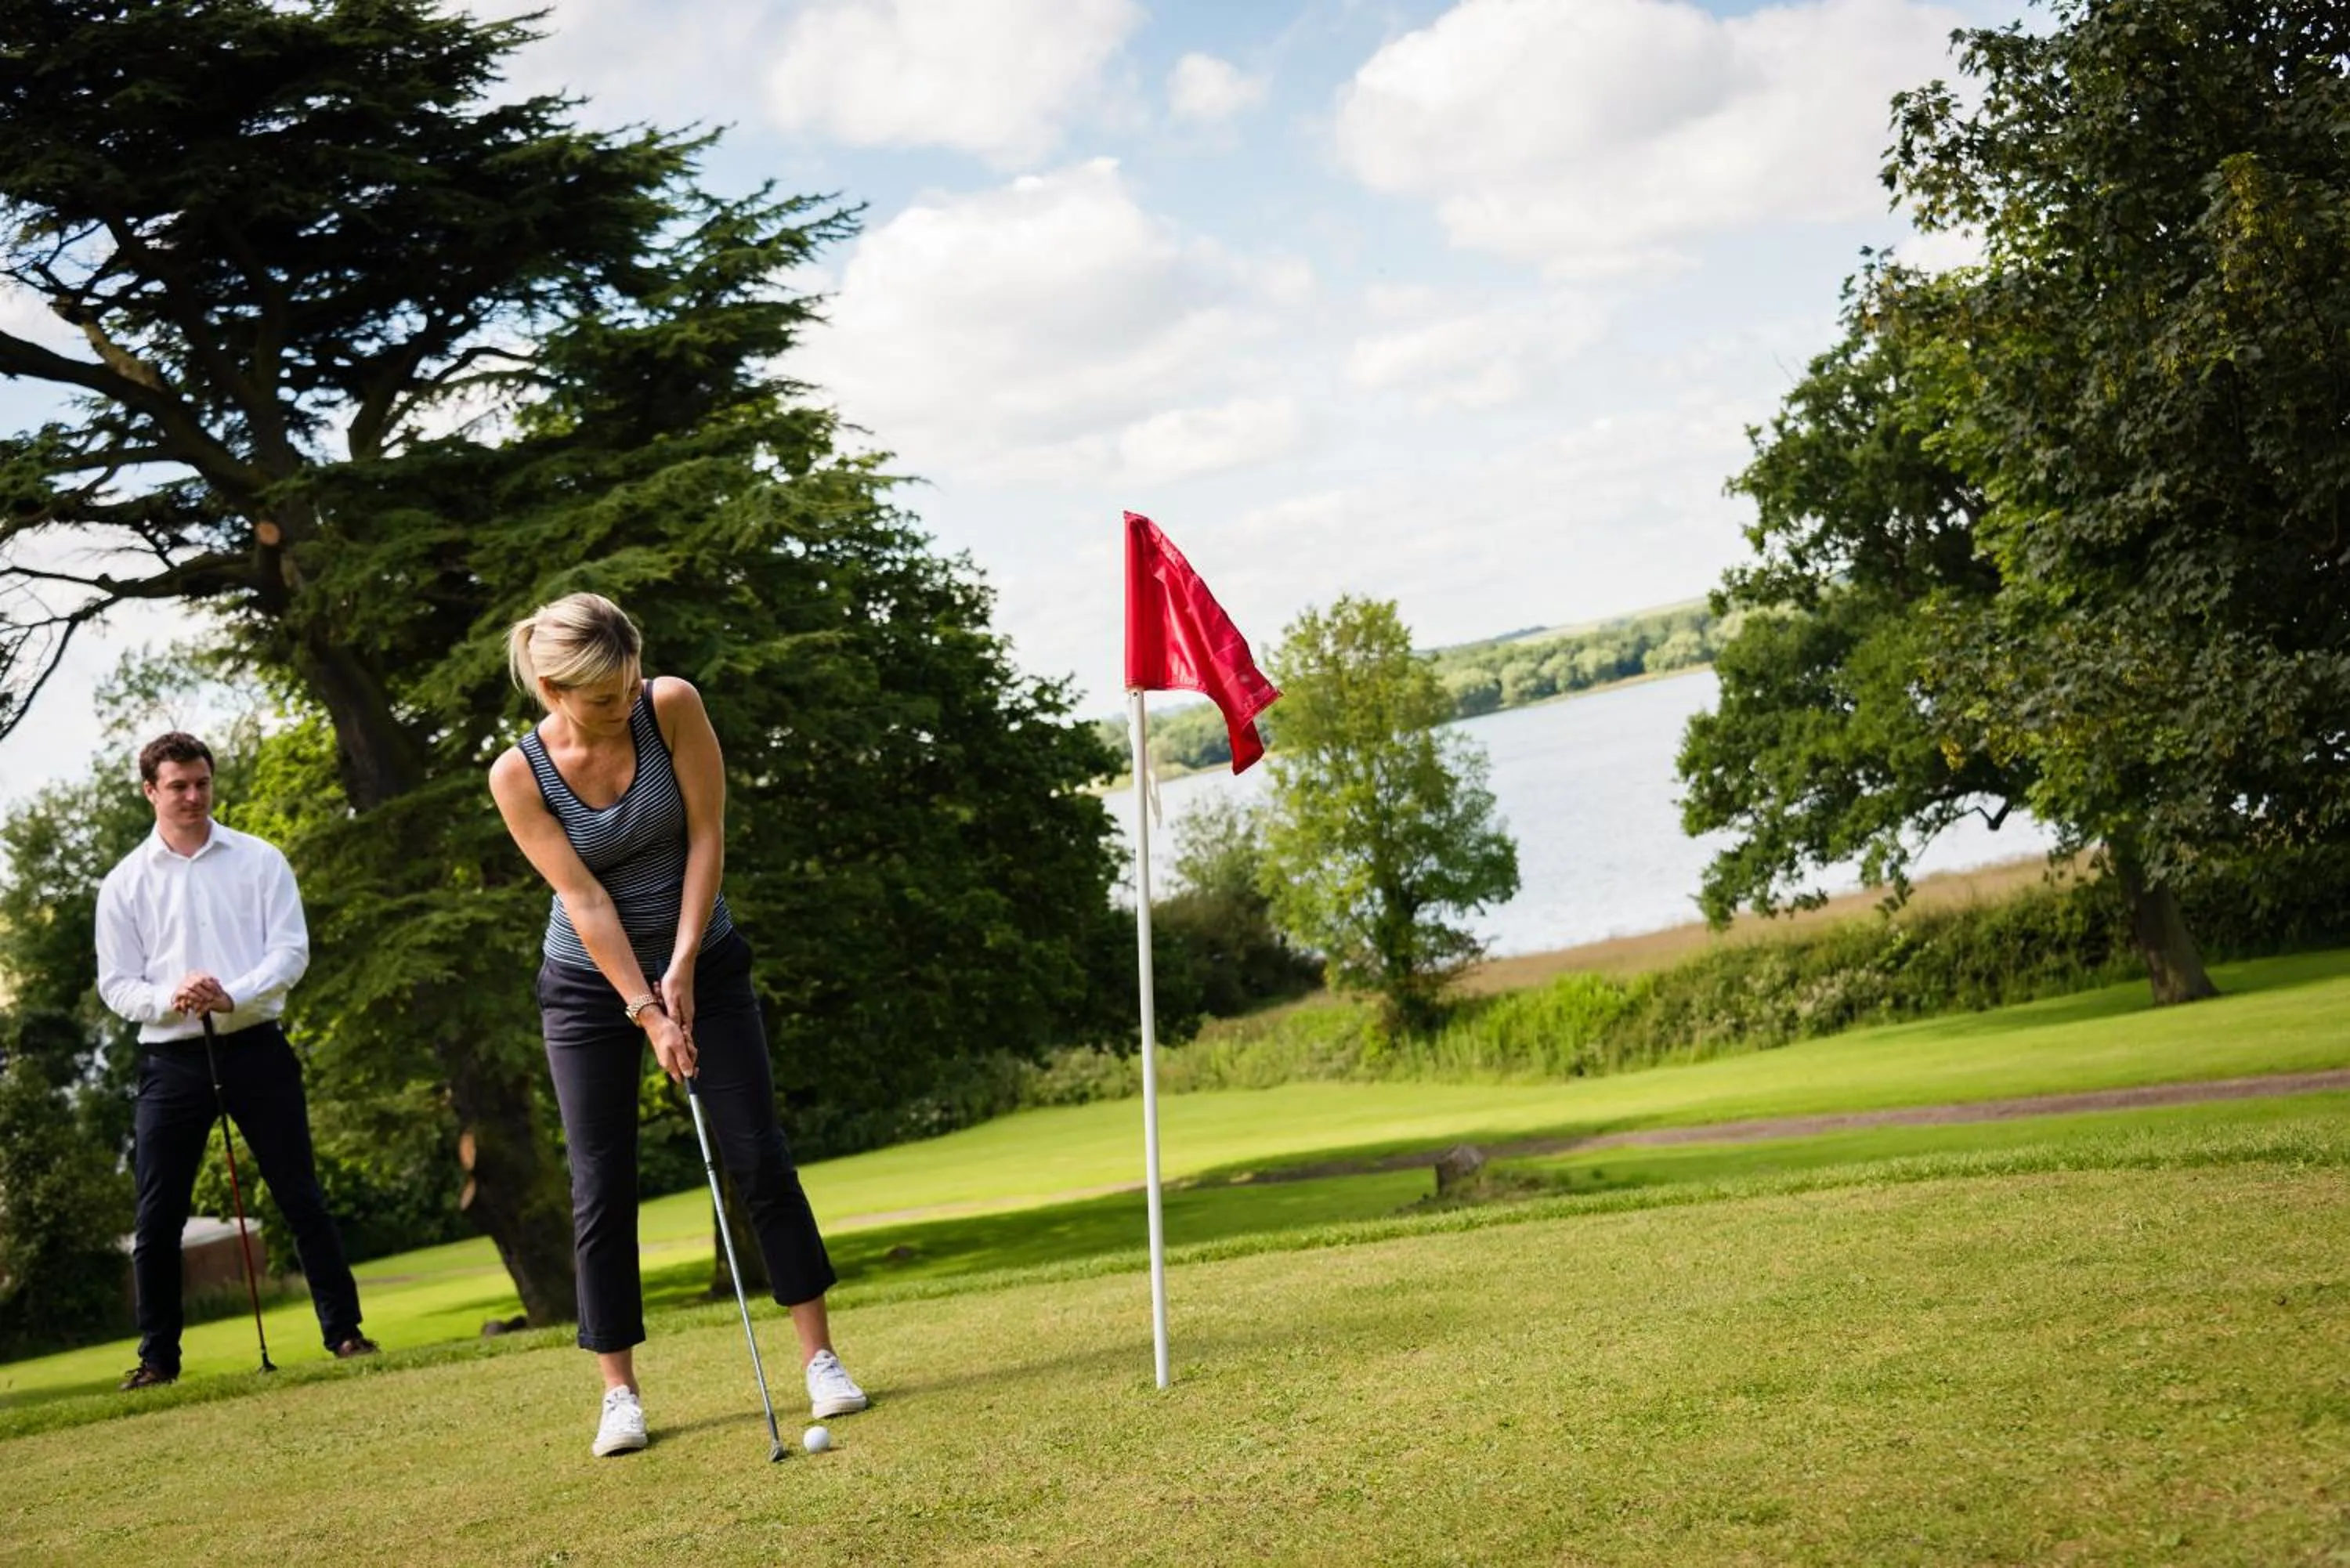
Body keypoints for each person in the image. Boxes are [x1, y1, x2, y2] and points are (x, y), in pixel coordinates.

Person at [489, 591, 866, 1458]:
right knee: (601, 1183)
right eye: (602, 697)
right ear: (552, 690)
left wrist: (686, 961)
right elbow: (583, 897)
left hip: (706, 958)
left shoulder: (671, 706)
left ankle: (821, 1360)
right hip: (590, 986)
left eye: (630, 684)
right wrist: (647, 1008)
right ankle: (618, 1393)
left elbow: (706, 834)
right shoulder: (518, 775)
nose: (624, 703)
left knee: (757, 1152)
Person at [96, 732, 378, 1389]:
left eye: (202, 783)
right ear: (150, 791)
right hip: (170, 1061)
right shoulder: (124, 884)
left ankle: (344, 1333)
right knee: (157, 1217)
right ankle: (157, 1359)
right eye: (178, 786)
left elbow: (290, 952)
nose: (193, 796)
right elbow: (118, 984)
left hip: (255, 1046)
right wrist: (173, 997)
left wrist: (232, 994)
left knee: (300, 1196)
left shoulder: (259, 860)